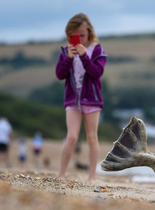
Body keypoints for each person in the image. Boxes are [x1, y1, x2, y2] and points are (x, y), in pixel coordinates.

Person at [56, 13, 107, 182]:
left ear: (89, 32)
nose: (79, 40)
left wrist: (84, 56)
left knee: (92, 137)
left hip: (91, 99)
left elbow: (97, 73)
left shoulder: (97, 50)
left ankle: (92, 176)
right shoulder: (66, 51)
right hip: (73, 100)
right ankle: (61, 174)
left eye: (82, 35)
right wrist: (69, 59)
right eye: (74, 36)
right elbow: (60, 74)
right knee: (71, 137)